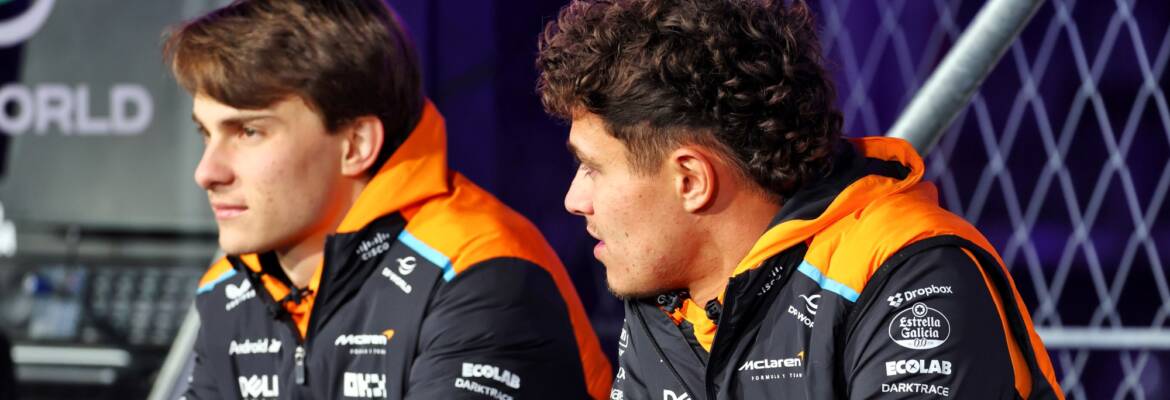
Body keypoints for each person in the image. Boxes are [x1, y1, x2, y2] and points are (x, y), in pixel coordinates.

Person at [537, 0, 1062, 398]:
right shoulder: (665, 292)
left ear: (691, 180)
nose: (574, 200)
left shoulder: (907, 272)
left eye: (592, 168)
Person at [164, 1, 611, 398]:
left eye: (248, 132)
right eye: (206, 133)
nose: (207, 172)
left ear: (356, 144)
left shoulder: (483, 269)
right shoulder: (228, 287)